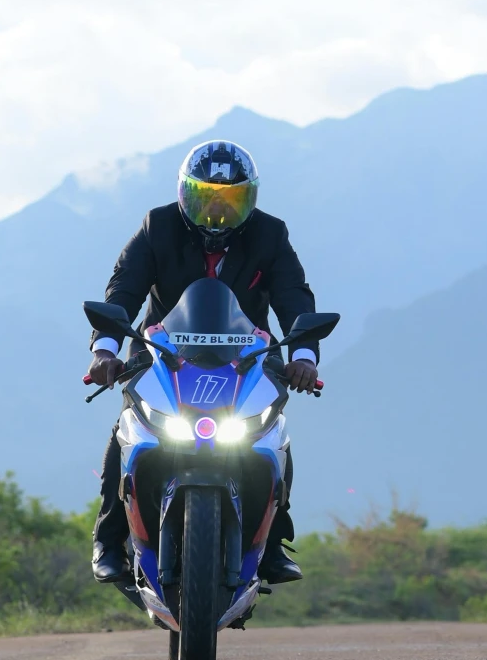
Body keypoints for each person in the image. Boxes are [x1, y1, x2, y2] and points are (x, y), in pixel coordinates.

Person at [84, 139, 323, 587]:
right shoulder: (157, 226)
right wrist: (105, 351)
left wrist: (303, 356)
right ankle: (109, 537)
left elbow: (294, 295)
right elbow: (124, 290)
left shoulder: (271, 234)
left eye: (230, 200)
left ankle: (272, 545)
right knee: (126, 433)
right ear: (184, 194)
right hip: (162, 355)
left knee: (274, 437)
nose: (216, 211)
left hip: (246, 358)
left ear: (250, 199)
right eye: (205, 197)